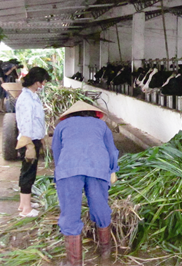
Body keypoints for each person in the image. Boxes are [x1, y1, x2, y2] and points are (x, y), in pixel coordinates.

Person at [52, 101, 119, 266]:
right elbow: (111, 150)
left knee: (70, 213)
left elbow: (56, 151)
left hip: (69, 168)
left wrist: (59, 171)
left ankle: (74, 262)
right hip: (97, 167)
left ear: (70, 114)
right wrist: (113, 169)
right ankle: (105, 255)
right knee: (100, 207)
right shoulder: (101, 125)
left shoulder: (62, 126)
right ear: (93, 113)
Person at [15, 67, 51, 217]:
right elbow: (26, 123)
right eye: (42, 82)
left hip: (34, 138)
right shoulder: (26, 100)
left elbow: (37, 120)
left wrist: (42, 136)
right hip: (28, 140)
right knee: (28, 173)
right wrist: (29, 144)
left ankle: (24, 203)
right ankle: (26, 210)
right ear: (37, 82)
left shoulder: (32, 96)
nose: (43, 85)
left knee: (29, 171)